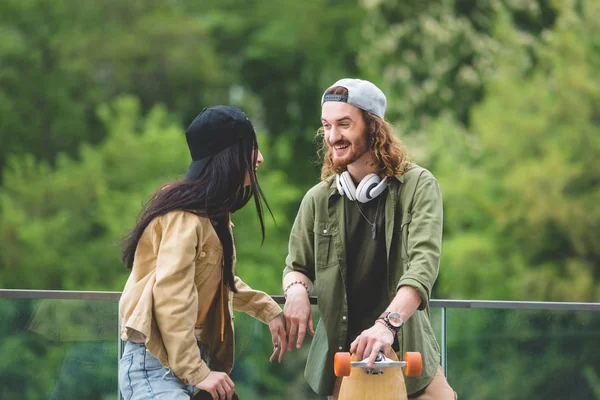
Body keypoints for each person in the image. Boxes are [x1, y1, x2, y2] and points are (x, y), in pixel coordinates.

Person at [282, 79, 456, 399]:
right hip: (345, 364)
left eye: (344, 124)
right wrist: (295, 291)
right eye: (327, 126)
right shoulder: (318, 200)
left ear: (374, 128)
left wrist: (386, 326)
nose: (333, 136)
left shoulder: (419, 186)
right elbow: (296, 267)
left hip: (408, 359)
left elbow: (423, 266)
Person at [118, 105, 287, 400]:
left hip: (187, 359)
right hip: (155, 363)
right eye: (252, 147)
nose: (259, 157)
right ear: (229, 154)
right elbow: (172, 296)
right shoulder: (184, 217)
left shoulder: (210, 215)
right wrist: (198, 373)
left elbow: (221, 283)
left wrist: (268, 310)